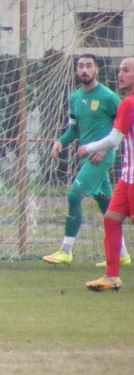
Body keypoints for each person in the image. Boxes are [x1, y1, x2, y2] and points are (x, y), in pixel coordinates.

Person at [44, 53, 130, 266]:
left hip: (100, 157)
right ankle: (122, 255)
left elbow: (123, 127)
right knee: (108, 209)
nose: (84, 69)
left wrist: (106, 150)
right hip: (87, 157)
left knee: (74, 196)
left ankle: (66, 250)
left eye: (89, 66)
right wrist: (60, 142)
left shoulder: (109, 97)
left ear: (96, 69)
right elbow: (74, 129)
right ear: (77, 70)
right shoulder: (75, 98)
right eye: (81, 66)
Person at [79, 56, 134, 292]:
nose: (120, 74)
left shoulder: (127, 104)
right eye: (120, 70)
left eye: (126, 70)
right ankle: (111, 276)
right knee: (111, 219)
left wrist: (88, 147)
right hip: (127, 176)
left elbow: (113, 139)